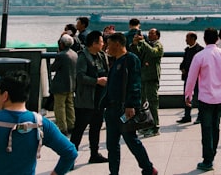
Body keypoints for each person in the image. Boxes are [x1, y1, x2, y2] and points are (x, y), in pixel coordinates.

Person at [101, 32, 157, 175]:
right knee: (112, 145)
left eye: (109, 44)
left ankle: (148, 169)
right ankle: (113, 172)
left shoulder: (131, 59)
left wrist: (131, 105)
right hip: (112, 109)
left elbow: (135, 83)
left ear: (117, 44)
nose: (107, 47)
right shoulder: (114, 62)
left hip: (124, 109)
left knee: (132, 141)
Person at [184, 28, 221, 171]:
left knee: (206, 129)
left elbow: (191, 77)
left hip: (205, 97)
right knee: (215, 126)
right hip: (220, 97)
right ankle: (212, 154)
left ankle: (207, 160)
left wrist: (188, 95)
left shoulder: (199, 56)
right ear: (217, 39)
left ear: (204, 39)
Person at [69, 30, 108, 164]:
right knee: (79, 129)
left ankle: (94, 154)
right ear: (94, 43)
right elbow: (80, 77)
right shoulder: (83, 57)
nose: (103, 44)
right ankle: (70, 158)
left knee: (96, 128)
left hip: (99, 99)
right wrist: (97, 81)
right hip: (86, 100)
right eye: (101, 41)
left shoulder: (102, 55)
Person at [130, 28, 163, 136]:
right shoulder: (146, 44)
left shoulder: (158, 45)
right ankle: (145, 123)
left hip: (152, 78)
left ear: (157, 36)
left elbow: (154, 53)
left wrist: (143, 42)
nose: (149, 35)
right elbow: (137, 54)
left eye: (152, 33)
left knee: (153, 102)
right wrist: (135, 44)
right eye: (148, 33)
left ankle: (155, 126)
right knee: (142, 103)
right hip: (143, 77)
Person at [50, 34, 77, 136]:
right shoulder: (75, 54)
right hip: (71, 84)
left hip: (60, 85)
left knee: (59, 107)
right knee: (70, 106)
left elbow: (53, 68)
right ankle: (71, 125)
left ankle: (62, 128)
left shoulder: (61, 55)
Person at [178, 32, 203, 124]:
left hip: (197, 78)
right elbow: (184, 62)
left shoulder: (200, 50)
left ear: (193, 39)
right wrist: (182, 68)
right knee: (187, 96)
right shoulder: (187, 50)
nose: (186, 40)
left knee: (198, 97)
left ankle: (200, 116)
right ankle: (187, 115)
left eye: (187, 38)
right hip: (187, 77)